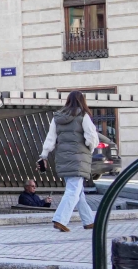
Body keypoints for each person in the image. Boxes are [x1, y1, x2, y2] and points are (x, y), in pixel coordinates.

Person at [38, 90, 98, 232]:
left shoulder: (57, 117)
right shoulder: (83, 116)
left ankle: (88, 221)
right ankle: (60, 219)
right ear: (82, 101)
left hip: (63, 158)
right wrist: (90, 149)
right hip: (78, 159)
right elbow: (92, 137)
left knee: (78, 191)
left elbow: (50, 138)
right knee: (73, 190)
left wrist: (44, 155)